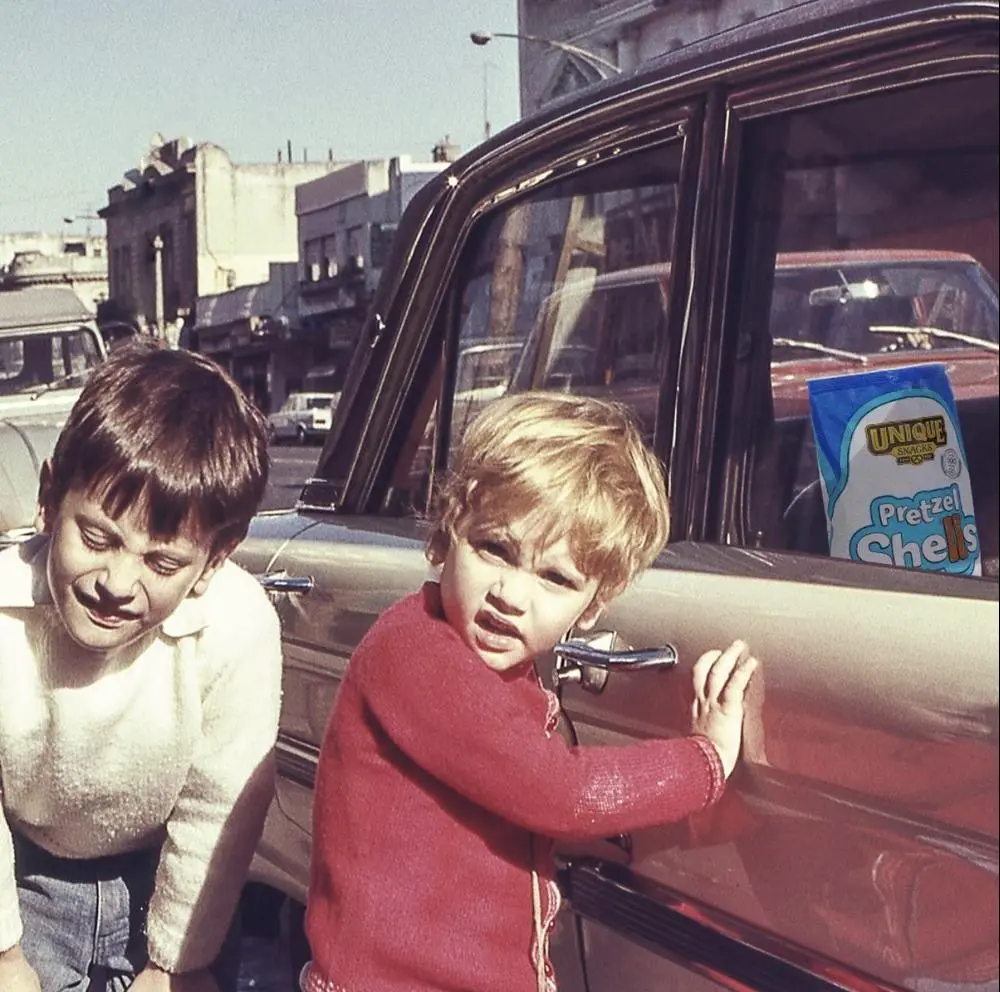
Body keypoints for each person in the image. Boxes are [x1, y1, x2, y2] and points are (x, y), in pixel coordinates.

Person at [303, 391, 759, 992]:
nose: (511, 596)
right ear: (443, 538)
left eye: (555, 578)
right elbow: (559, 792)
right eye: (494, 549)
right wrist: (705, 760)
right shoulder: (415, 652)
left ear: (591, 607)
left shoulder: (492, 670)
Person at [0, 341, 283, 992]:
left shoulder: (238, 626)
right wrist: (6, 955)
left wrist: (179, 960)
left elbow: (221, 805)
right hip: (25, 874)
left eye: (162, 562)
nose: (118, 583)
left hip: (173, 878)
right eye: (96, 538)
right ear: (49, 498)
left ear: (214, 560)